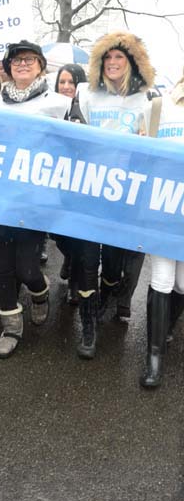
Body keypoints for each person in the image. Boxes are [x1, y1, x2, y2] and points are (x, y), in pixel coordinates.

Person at [0, 40, 71, 358]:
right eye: (16, 60)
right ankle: (11, 327)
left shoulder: (59, 104)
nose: (22, 64)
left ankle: (39, 291)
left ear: (40, 65)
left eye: (29, 59)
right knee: (2, 269)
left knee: (26, 268)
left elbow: (78, 146)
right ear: (6, 68)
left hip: (36, 201)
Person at [75, 31, 155, 359]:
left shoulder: (145, 100)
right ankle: (88, 324)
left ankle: (109, 290)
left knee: (113, 263)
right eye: (107, 58)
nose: (112, 63)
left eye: (119, 57)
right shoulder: (87, 95)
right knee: (85, 259)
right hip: (89, 190)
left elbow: (152, 147)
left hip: (123, 195)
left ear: (132, 62)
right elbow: (73, 136)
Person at [140, 74, 184, 387]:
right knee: (162, 280)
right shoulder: (159, 107)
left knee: (181, 283)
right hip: (163, 208)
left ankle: (167, 326)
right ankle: (153, 358)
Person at [53, 64, 88, 303]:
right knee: (59, 235)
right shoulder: (49, 106)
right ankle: (68, 258)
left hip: (79, 184)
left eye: (71, 82)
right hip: (53, 183)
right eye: (62, 82)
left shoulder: (86, 109)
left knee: (76, 235)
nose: (66, 87)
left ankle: (74, 286)